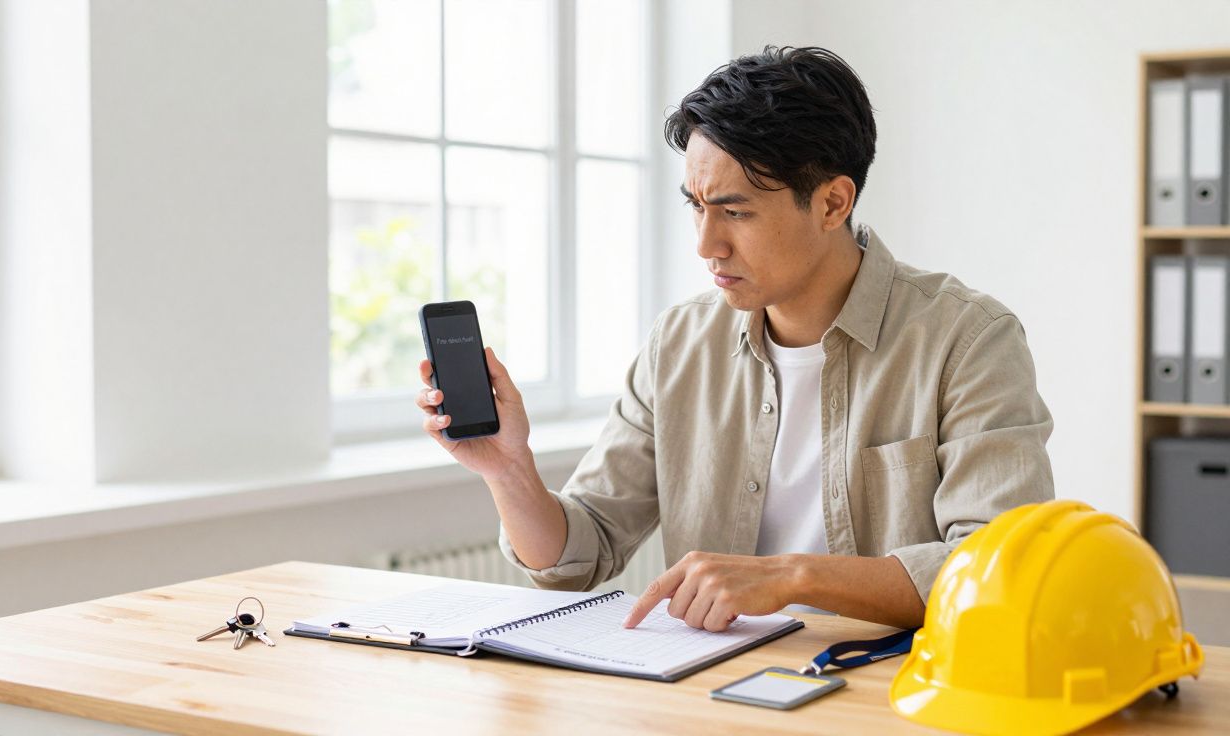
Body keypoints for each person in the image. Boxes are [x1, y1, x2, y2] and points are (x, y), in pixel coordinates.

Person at [414, 46, 1054, 632]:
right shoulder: (680, 343)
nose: (705, 244)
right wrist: (510, 471)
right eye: (696, 204)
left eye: (736, 211)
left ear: (833, 204)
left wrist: (790, 576)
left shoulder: (968, 340)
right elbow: (578, 556)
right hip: (712, 696)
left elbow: (996, 571)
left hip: (894, 693)